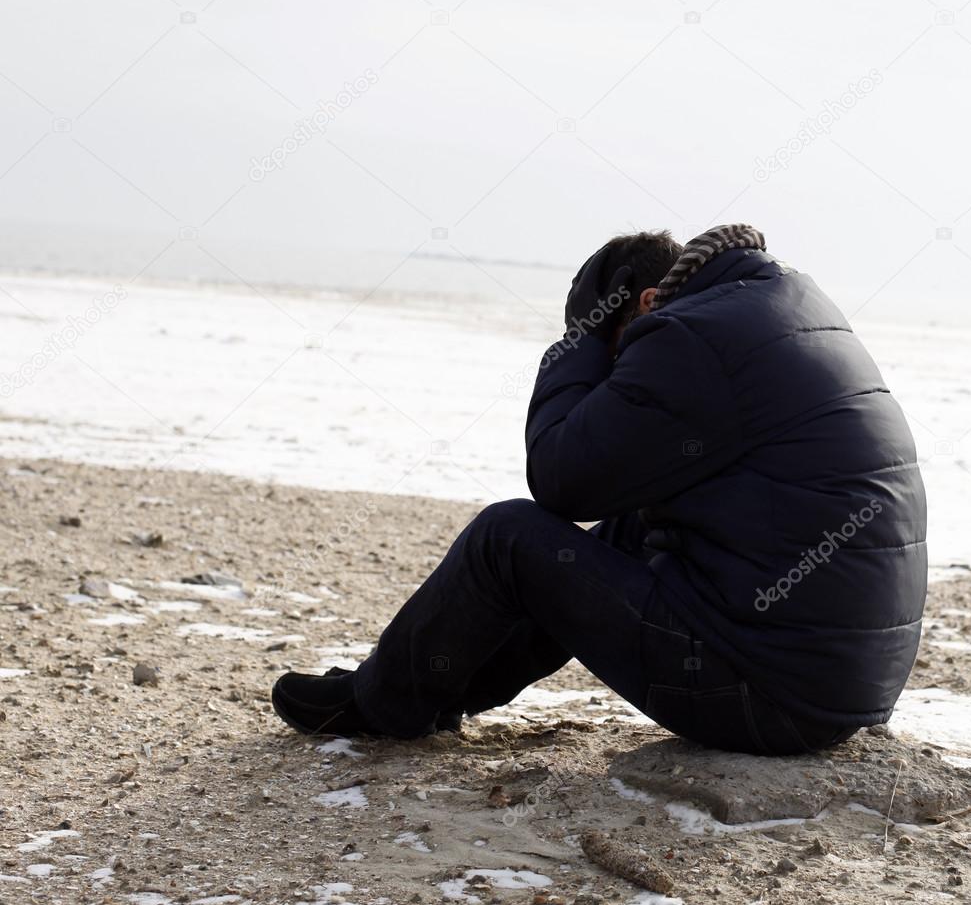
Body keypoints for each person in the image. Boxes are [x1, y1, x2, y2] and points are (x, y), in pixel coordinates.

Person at [272, 226, 927, 755]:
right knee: (627, 532)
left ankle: (380, 707)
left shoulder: (685, 333)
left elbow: (560, 480)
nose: (616, 373)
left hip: (769, 701)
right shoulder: (777, 304)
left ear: (641, 303)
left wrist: (579, 345)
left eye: (615, 355)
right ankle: (439, 690)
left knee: (507, 538)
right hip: (839, 689)